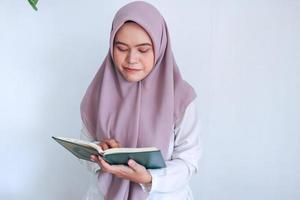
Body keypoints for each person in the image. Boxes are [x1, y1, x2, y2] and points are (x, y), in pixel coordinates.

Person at [79, 1, 202, 199]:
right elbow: (86, 152)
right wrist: (100, 153)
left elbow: (189, 161)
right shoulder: (98, 92)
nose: (131, 59)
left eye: (143, 50)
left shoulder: (181, 96)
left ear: (160, 47)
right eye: (121, 48)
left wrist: (149, 178)